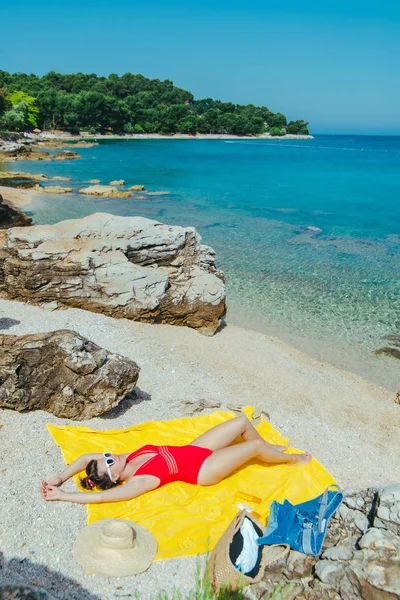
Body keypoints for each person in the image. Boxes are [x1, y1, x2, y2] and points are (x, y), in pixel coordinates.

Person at [41, 415, 311, 505]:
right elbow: (102, 498)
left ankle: (268, 447)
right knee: (251, 447)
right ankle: (290, 459)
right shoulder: (140, 481)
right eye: (109, 462)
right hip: (203, 469)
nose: (111, 455)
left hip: (194, 449)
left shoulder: (124, 459)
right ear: (114, 477)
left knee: (241, 421)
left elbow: (86, 457)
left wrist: (58, 478)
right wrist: (63, 495)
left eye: (107, 456)